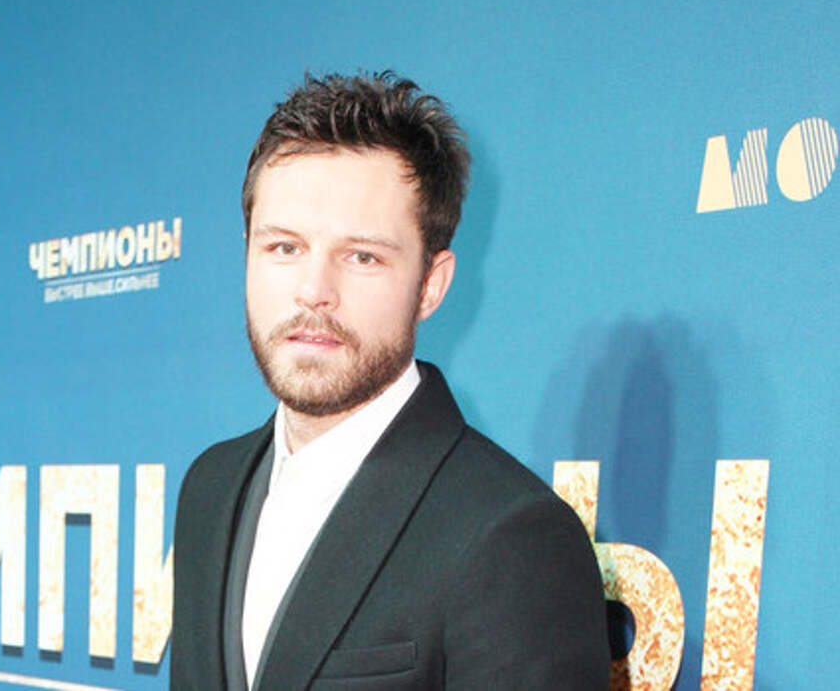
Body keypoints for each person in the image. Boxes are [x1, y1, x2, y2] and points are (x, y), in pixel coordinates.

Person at [170, 71, 610, 690]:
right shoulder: (209, 488)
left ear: (431, 285)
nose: (314, 291)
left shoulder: (511, 536)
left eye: (362, 257)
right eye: (285, 248)